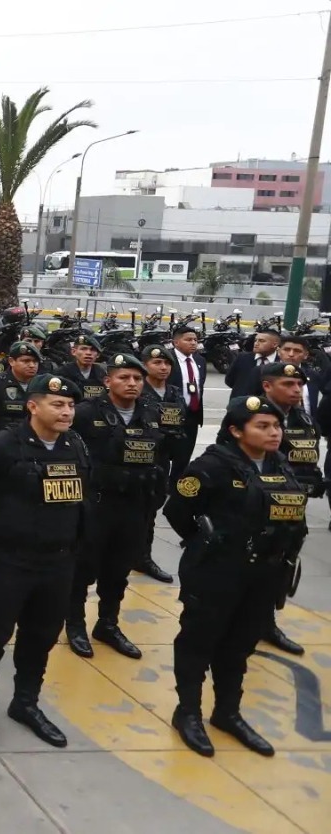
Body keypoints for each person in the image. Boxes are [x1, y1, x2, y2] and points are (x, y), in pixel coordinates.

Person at [165, 394, 307, 758]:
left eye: (276, 425)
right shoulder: (212, 467)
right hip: (217, 573)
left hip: (264, 574)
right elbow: (178, 511)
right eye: (263, 426)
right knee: (199, 642)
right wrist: (211, 543)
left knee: (239, 645)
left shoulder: (279, 463)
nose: (274, 432)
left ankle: (227, 712)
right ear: (236, 430)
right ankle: (188, 712)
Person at [0, 374, 89, 751]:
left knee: (41, 636)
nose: (66, 411)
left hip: (58, 564)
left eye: (70, 405)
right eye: (57, 404)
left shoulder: (77, 446)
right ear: (33, 406)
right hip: (11, 562)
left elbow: (81, 504)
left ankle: (25, 702)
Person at [65, 352, 166, 661]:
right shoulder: (84, 413)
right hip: (96, 505)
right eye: (124, 377)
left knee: (119, 569)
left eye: (137, 378)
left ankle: (107, 623)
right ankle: (75, 624)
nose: (132, 383)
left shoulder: (151, 414)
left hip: (135, 506)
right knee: (83, 569)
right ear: (108, 381)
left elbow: (160, 458)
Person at [255, 361, 321, 656]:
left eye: (299, 385)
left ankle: (266, 621)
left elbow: (307, 457)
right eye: (288, 384)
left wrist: (313, 480)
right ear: (268, 386)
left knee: (282, 565)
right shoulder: (252, 417)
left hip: (292, 508)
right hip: (257, 510)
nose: (296, 390)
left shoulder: (303, 419)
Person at [136, 344, 183, 585]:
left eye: (167, 363)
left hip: (162, 461)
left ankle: (143, 557)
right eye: (157, 363)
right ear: (145, 365)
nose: (163, 367)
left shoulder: (175, 393)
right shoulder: (137, 391)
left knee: (150, 512)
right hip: (137, 459)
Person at [0, 343, 40, 432]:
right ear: (11, 361)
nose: (32, 365)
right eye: (26, 361)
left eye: (35, 361)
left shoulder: (42, 385)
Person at [224, 325, 280, 400]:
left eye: (262, 341)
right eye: (256, 340)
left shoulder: (281, 362)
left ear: (275, 344)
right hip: (241, 406)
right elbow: (229, 380)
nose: (256, 343)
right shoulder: (242, 358)